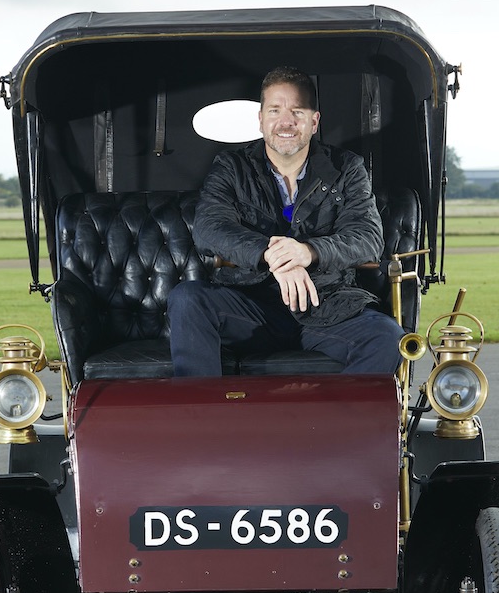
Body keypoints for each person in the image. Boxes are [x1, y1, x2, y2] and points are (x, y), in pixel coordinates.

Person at [168, 66, 403, 376]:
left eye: (297, 111)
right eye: (275, 110)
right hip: (252, 307)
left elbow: (367, 237)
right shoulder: (231, 167)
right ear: (262, 119)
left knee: (387, 338)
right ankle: (203, 423)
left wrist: (307, 252)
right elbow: (210, 227)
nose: (286, 122)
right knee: (187, 300)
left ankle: (334, 425)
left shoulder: (347, 168)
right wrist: (274, 255)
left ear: (314, 120)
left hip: (328, 306)